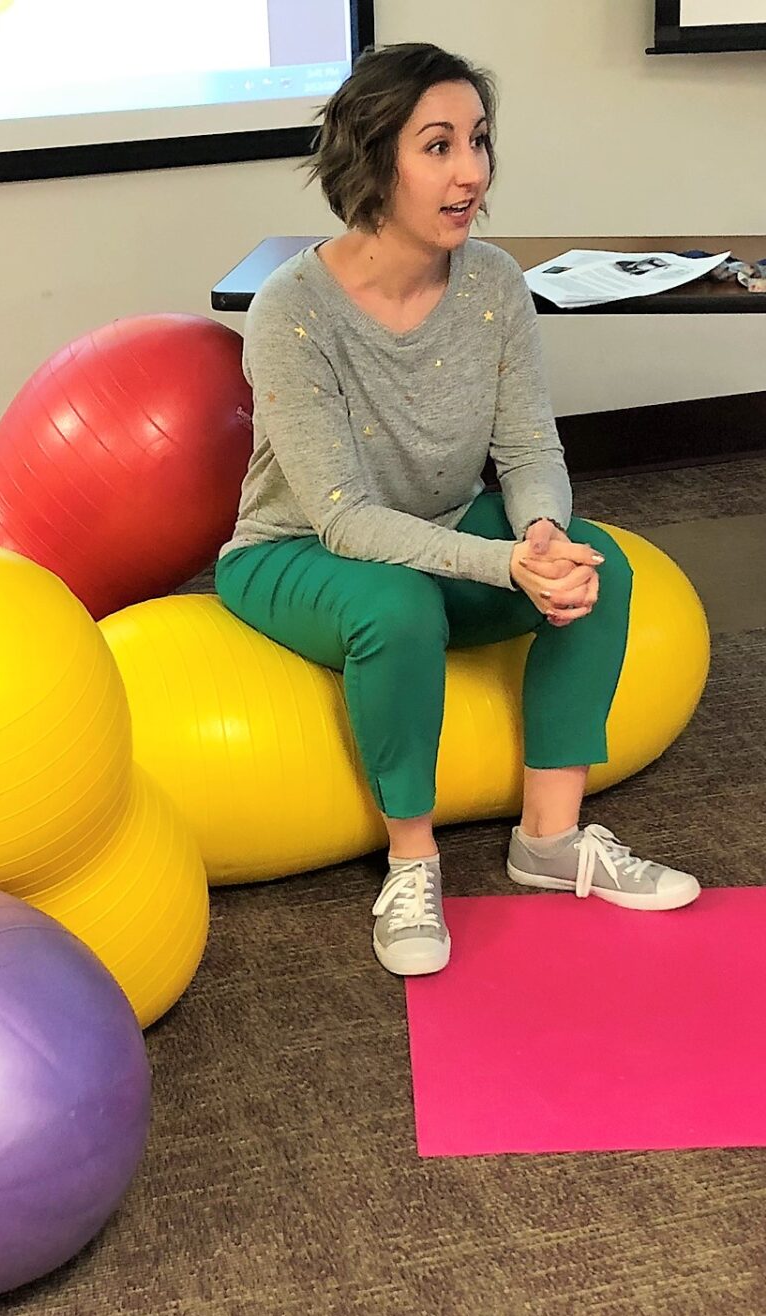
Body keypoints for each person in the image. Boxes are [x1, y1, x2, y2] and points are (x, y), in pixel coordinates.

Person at [215, 42, 701, 978]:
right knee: (397, 607)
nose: (470, 171)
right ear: (372, 160)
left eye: (478, 141)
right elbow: (347, 518)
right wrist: (501, 563)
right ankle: (412, 859)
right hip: (295, 549)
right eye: (437, 146)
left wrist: (544, 534)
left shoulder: (493, 286)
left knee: (600, 558)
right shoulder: (292, 311)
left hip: (438, 528)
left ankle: (550, 840)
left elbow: (526, 451)